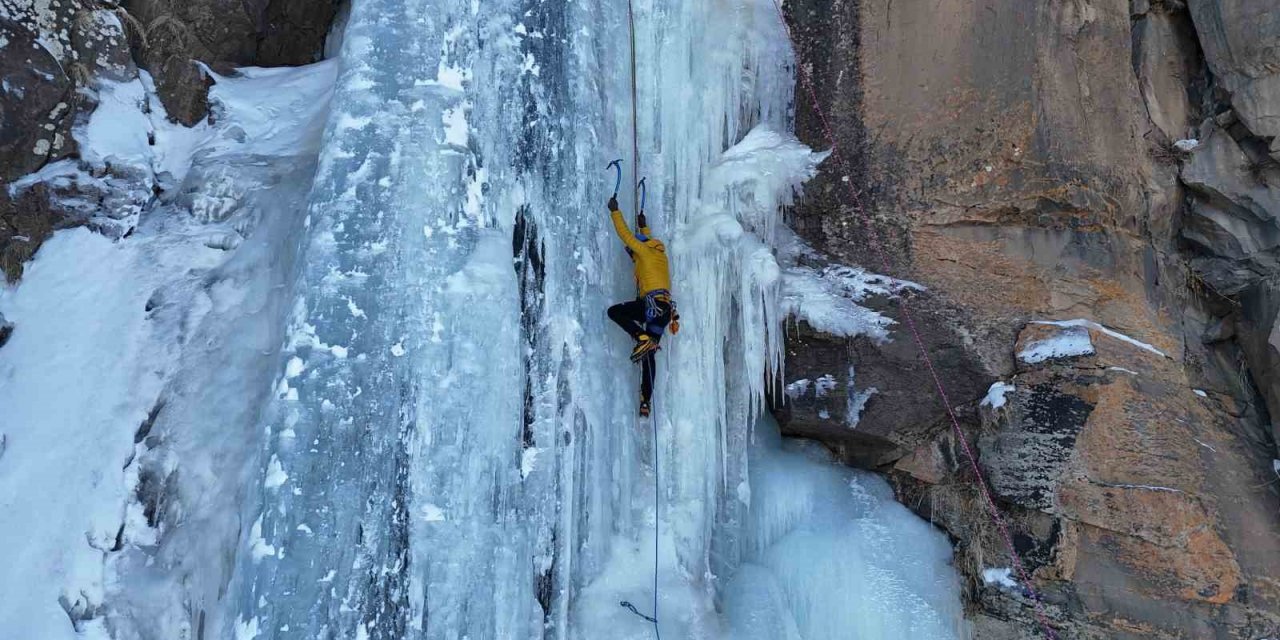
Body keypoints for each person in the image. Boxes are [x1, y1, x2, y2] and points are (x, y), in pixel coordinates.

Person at [606, 195, 679, 417]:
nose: (632, 256)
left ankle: (640, 336)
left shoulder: (645, 251)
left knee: (615, 312)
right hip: (664, 312)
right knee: (649, 355)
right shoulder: (658, 254)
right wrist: (644, 226)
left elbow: (626, 236)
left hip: (651, 307)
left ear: (641, 247)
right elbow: (646, 242)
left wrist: (615, 212)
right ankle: (645, 400)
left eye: (633, 253)